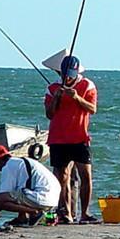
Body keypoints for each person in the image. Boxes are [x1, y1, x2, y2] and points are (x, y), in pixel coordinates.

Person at [44, 55, 100, 224]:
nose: (66, 78)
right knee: (62, 177)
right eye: (64, 75)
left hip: (80, 137)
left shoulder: (87, 85)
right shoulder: (52, 88)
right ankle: (66, 213)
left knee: (86, 175)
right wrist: (56, 98)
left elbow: (92, 109)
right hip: (58, 139)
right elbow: (49, 114)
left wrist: (77, 98)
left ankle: (85, 213)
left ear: (76, 73)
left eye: (70, 75)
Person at [0, 145, 61, 227]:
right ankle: (23, 218)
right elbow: (21, 192)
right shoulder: (20, 162)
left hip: (41, 198)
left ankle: (35, 213)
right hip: (53, 200)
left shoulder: (8, 166)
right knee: (19, 193)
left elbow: (4, 196)